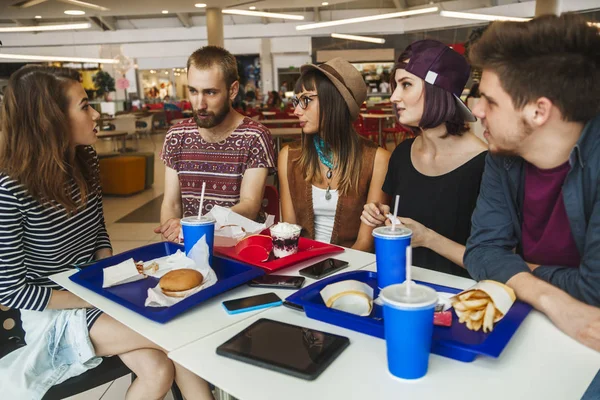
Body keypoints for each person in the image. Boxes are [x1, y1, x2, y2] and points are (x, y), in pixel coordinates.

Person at [0, 66, 213, 399]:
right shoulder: (10, 189)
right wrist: (93, 296)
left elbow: (98, 231)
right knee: (177, 335)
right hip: (54, 314)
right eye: (84, 105)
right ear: (50, 119)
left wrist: (112, 276)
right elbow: (11, 291)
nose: (96, 112)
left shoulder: (84, 160)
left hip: (96, 292)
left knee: (158, 372)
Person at [464, 14, 600, 352]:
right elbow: (481, 250)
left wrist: (519, 271)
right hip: (540, 317)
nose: (477, 111)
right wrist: (551, 298)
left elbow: (594, 290)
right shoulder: (502, 154)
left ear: (539, 111)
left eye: (491, 101)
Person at [361, 40, 488, 277]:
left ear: (436, 89)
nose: (394, 97)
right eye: (395, 86)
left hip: (459, 298)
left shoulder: (485, 165)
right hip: (401, 288)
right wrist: (380, 217)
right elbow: (398, 217)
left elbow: (496, 261)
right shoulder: (401, 154)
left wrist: (428, 238)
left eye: (406, 85)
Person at [155, 46, 276, 242]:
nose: (200, 104)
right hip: (191, 243)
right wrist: (172, 232)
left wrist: (197, 225)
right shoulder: (176, 135)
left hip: (241, 246)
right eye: (193, 91)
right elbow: (171, 203)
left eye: (210, 92)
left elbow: (250, 205)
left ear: (233, 90)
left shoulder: (254, 136)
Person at [278, 58, 390, 252]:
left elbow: (366, 243)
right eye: (296, 101)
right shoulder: (289, 156)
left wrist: (333, 273)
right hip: (301, 265)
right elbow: (290, 232)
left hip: (353, 268)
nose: (296, 111)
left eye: (306, 100)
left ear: (335, 101)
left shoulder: (378, 159)